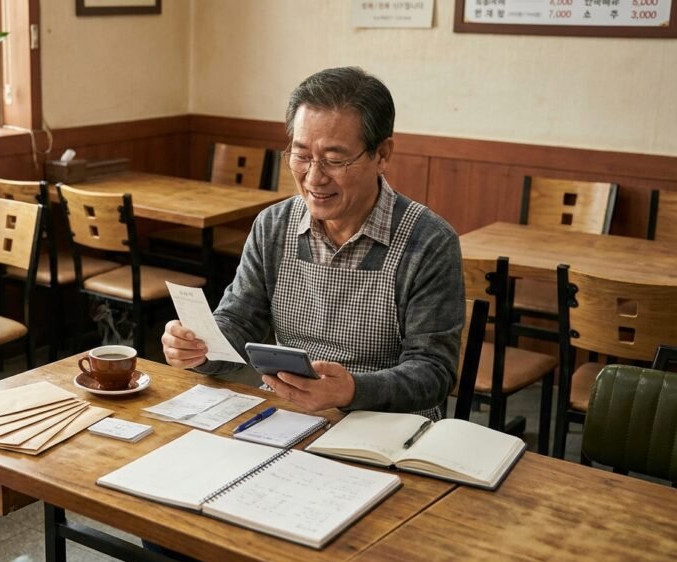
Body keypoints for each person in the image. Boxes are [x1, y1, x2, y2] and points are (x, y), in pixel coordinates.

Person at [161, 67, 464, 420]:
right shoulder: (273, 226)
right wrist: (199, 347)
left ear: (381, 155)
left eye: (334, 160)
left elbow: (432, 373)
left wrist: (351, 390)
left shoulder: (428, 241)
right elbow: (240, 321)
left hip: (388, 429)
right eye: (301, 155)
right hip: (290, 417)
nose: (314, 177)